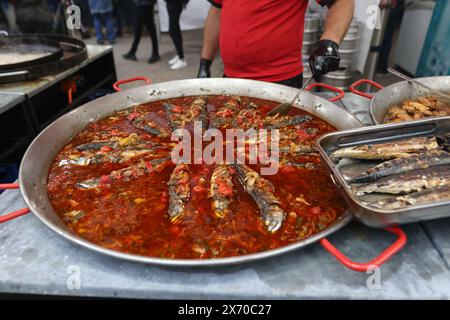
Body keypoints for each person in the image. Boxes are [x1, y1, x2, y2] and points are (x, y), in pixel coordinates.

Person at [197, 0, 354, 87]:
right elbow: (217, 10)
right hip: (231, 77)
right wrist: (205, 62)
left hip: (280, 81)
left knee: (277, 144)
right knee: (232, 141)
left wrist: (329, 42)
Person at [165, 0, 189, 70]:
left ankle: (182, 59)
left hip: (175, 2)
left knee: (173, 31)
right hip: (171, 3)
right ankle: (179, 55)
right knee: (175, 29)